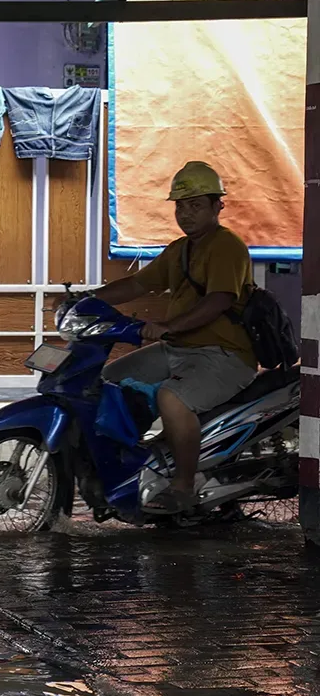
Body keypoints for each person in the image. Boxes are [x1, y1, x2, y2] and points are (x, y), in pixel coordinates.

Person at [89, 161, 256, 513]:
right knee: (108, 381)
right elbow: (137, 283)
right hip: (179, 349)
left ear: (217, 207)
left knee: (172, 398)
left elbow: (220, 299)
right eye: (180, 205)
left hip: (223, 355)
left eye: (196, 205)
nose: (186, 213)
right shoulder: (179, 250)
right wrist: (88, 299)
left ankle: (182, 487)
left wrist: (169, 326)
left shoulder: (227, 247)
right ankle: (134, 465)